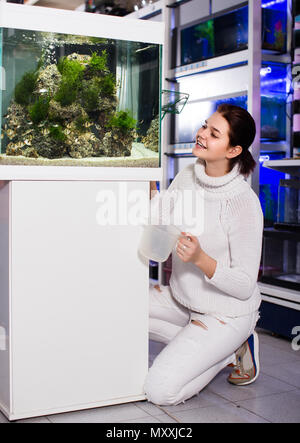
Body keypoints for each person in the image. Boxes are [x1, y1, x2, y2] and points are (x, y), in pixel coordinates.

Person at [144, 104, 263, 406]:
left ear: (234, 150)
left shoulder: (243, 203)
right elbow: (165, 214)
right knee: (117, 307)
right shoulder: (189, 174)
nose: (201, 135)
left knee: (160, 390)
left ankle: (229, 347)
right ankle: (218, 348)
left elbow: (245, 284)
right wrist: (149, 188)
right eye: (203, 126)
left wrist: (201, 259)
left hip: (226, 312)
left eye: (214, 133)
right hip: (183, 299)